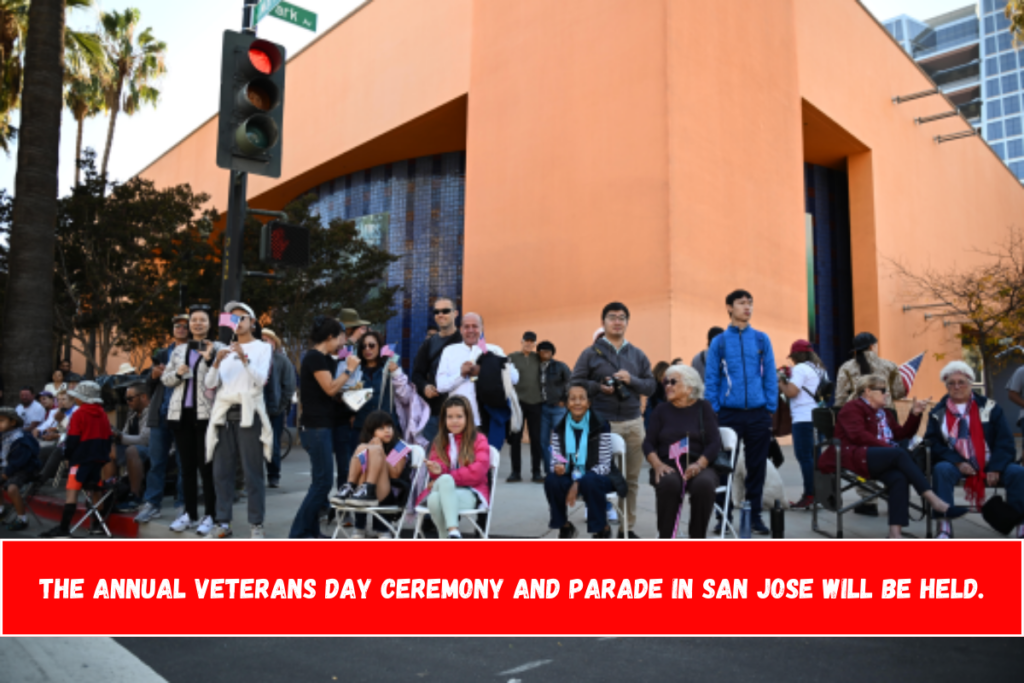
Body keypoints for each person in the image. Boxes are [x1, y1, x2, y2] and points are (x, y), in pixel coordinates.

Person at [819, 375, 963, 538]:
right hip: (855, 456)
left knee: (899, 478)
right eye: (883, 391)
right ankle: (934, 501)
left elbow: (902, 435)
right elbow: (859, 436)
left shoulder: (885, 413)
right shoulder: (852, 408)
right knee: (899, 453)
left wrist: (914, 415)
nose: (887, 394)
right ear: (868, 392)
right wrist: (890, 450)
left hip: (882, 458)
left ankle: (895, 534)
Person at [571, 302, 657, 538]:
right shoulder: (590, 353)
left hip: (632, 423)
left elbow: (650, 386)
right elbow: (573, 384)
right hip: (601, 423)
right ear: (603, 322)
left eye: (622, 318)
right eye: (612, 317)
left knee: (631, 480)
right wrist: (597, 387)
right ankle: (602, 527)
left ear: (627, 323)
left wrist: (632, 381)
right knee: (597, 477)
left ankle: (627, 529)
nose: (617, 321)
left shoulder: (637, 354)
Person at [703, 289, 777, 536]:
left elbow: (770, 375)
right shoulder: (720, 342)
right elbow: (711, 378)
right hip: (728, 414)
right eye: (741, 303)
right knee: (724, 467)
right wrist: (713, 410)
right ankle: (722, 517)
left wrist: (770, 407)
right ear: (729, 308)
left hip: (758, 414)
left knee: (757, 467)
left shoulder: (761, 339)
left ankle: (754, 515)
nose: (747, 307)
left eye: (750, 303)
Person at [926, 361, 1024, 539]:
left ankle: (1021, 525)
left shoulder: (990, 407)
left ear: (970, 383)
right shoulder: (938, 412)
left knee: (1017, 472)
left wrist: (996, 467)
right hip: (957, 463)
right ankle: (944, 525)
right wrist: (957, 462)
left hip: (990, 462)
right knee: (941, 469)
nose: (957, 386)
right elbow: (932, 442)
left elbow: (1005, 441)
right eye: (951, 383)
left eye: (961, 382)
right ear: (946, 386)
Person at [204, 301, 274, 539]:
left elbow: (260, 380)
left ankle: (256, 524)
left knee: (252, 470)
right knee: (221, 471)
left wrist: (245, 359)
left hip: (249, 412)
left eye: (242, 317)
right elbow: (210, 384)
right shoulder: (224, 348)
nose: (237, 322)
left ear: (253, 322)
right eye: (232, 318)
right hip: (224, 413)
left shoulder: (263, 348)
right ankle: (223, 522)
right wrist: (215, 361)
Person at [289, 316, 352, 539]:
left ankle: (311, 531)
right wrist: (349, 370)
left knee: (320, 481)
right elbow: (329, 388)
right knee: (323, 482)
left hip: (320, 426)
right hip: (315, 427)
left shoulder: (322, 358)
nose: (343, 342)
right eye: (341, 337)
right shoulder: (314, 357)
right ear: (330, 337)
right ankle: (298, 533)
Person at [642, 365, 722, 539]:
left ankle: (697, 538)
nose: (667, 386)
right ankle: (666, 537)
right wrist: (657, 464)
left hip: (699, 464)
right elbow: (648, 443)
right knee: (669, 483)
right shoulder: (661, 410)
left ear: (689, 388)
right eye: (665, 382)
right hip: (668, 464)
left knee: (704, 485)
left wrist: (700, 464)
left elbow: (715, 442)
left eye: (673, 382)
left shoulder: (704, 407)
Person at [833, 331, 907, 517]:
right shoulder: (889, 365)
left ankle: (868, 500)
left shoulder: (847, 367)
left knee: (865, 454)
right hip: (886, 414)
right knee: (889, 449)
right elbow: (898, 393)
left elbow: (840, 398)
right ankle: (893, 492)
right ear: (873, 346)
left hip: (858, 416)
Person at [162, 306, 222, 535]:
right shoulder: (179, 350)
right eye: (194, 320)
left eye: (202, 320)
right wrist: (178, 373)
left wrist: (208, 361)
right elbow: (166, 380)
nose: (197, 324)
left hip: (206, 416)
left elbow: (219, 380)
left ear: (209, 324)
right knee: (185, 468)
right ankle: (189, 513)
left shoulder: (218, 348)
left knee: (206, 468)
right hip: (181, 414)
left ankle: (210, 514)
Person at [134, 314, 190, 524]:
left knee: (184, 463)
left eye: (185, 326)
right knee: (157, 462)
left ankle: (183, 504)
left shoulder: (194, 352)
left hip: (183, 415)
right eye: (177, 325)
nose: (181, 328)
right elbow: (148, 388)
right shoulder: (162, 353)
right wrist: (153, 377)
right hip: (160, 415)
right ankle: (152, 504)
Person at [39, 381, 113, 538]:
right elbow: (108, 438)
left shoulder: (79, 414)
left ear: (82, 398)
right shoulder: (102, 414)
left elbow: (72, 439)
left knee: (71, 492)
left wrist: (68, 456)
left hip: (80, 459)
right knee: (95, 491)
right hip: (98, 460)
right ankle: (97, 525)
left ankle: (64, 528)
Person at [436, 313, 520, 450]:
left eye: (475, 326)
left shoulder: (495, 350)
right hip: (459, 421)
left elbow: (515, 378)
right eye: (466, 326)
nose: (470, 330)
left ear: (482, 328)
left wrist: (486, 370)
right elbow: (441, 386)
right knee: (459, 464)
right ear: (461, 329)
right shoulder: (449, 351)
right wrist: (461, 374)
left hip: (488, 419)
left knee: (487, 465)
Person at [545, 382, 617, 539]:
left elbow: (605, 465)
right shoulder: (559, 427)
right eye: (572, 399)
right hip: (571, 474)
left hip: (599, 477)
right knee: (552, 480)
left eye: (582, 398)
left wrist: (578, 483)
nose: (577, 402)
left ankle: (601, 529)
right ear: (567, 403)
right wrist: (558, 466)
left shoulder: (601, 425)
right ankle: (564, 526)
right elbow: (556, 458)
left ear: (589, 403)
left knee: (590, 481)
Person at [415, 395, 491, 539]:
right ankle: (452, 533)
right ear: (444, 419)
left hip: (470, 493)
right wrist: (438, 470)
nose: (454, 421)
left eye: (459, 416)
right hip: (446, 492)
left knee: (435, 497)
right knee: (436, 495)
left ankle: (446, 535)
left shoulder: (479, 439)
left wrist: (445, 476)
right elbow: (438, 476)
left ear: (468, 417)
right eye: (450, 417)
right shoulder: (439, 441)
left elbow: (478, 472)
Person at [333, 410, 412, 519]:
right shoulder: (368, 446)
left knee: (373, 451)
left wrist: (381, 452)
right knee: (361, 448)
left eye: (389, 427)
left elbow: (395, 475)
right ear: (371, 432)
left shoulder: (400, 447)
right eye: (381, 428)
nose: (387, 431)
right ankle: (350, 487)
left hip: (390, 494)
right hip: (365, 493)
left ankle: (366, 490)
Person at [779, 340, 828, 510]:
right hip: (817, 418)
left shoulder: (800, 369)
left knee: (805, 458)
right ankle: (819, 496)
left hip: (803, 419)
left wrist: (781, 382)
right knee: (816, 458)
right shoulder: (819, 369)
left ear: (796, 356)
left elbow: (792, 392)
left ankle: (810, 495)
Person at [411, 297, 463, 444]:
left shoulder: (465, 341)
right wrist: (424, 386)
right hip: (435, 412)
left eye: (445, 311)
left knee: (460, 460)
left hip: (461, 412)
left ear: (456, 313)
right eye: (437, 311)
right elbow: (417, 374)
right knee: (434, 459)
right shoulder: (428, 344)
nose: (441, 314)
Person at [331, 309, 370, 488]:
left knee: (347, 463)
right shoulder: (340, 351)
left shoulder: (353, 349)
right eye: (359, 328)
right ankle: (339, 504)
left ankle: (342, 502)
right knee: (343, 464)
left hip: (347, 410)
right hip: (339, 409)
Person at [261, 329, 296, 489]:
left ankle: (273, 476)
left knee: (273, 444)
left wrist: (279, 407)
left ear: (274, 342)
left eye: (268, 339)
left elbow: (289, 386)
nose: (265, 342)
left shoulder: (282, 360)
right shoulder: (252, 359)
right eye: (261, 339)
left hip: (274, 410)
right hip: (254, 409)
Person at [508, 331, 545, 483]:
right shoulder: (512, 357)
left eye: (532, 342)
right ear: (521, 341)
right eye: (526, 341)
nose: (529, 344)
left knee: (536, 439)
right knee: (515, 438)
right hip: (518, 404)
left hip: (536, 403)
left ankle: (536, 472)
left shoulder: (539, 358)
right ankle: (515, 472)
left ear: (535, 344)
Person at [0, 406, 41, 532]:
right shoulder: (3, 436)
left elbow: (20, 461)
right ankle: (2, 510)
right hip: (9, 467)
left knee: (12, 488)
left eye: (1, 420)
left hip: (25, 469)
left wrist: (5, 474)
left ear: (13, 422)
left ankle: (21, 519)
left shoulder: (21, 439)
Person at [112, 384, 151, 512]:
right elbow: (124, 434)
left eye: (130, 398)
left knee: (132, 450)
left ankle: (135, 497)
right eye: (126, 399)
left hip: (155, 451)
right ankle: (110, 490)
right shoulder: (132, 414)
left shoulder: (151, 412)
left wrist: (119, 436)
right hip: (136, 450)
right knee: (108, 449)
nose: (127, 402)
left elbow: (145, 440)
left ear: (143, 397)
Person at [538, 340, 571, 477]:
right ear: (538, 353)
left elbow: (571, 382)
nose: (546, 353)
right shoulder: (537, 367)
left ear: (552, 353)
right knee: (543, 441)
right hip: (542, 408)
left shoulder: (560, 366)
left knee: (560, 440)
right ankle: (549, 470)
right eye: (543, 351)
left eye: (549, 351)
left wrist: (565, 400)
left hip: (558, 408)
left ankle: (562, 468)